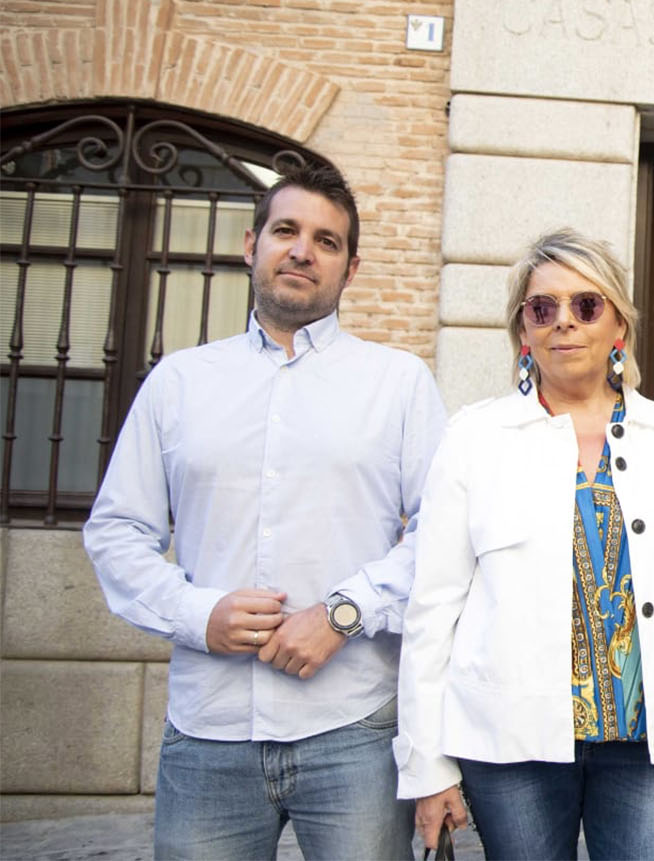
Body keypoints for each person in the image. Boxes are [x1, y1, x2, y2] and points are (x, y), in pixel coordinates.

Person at [84, 162, 447, 858]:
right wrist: (199, 614)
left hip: (352, 731)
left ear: (352, 266)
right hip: (206, 734)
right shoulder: (180, 382)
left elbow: (442, 532)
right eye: (286, 230)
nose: (303, 250)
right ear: (251, 244)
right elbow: (117, 531)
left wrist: (345, 610)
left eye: (326, 240)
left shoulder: (398, 383)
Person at [395, 228, 654, 860]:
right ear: (523, 331)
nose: (564, 322)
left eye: (586, 305)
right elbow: (432, 611)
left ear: (618, 325)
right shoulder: (474, 438)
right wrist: (428, 765)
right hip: (511, 747)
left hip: (648, 744)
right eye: (542, 308)